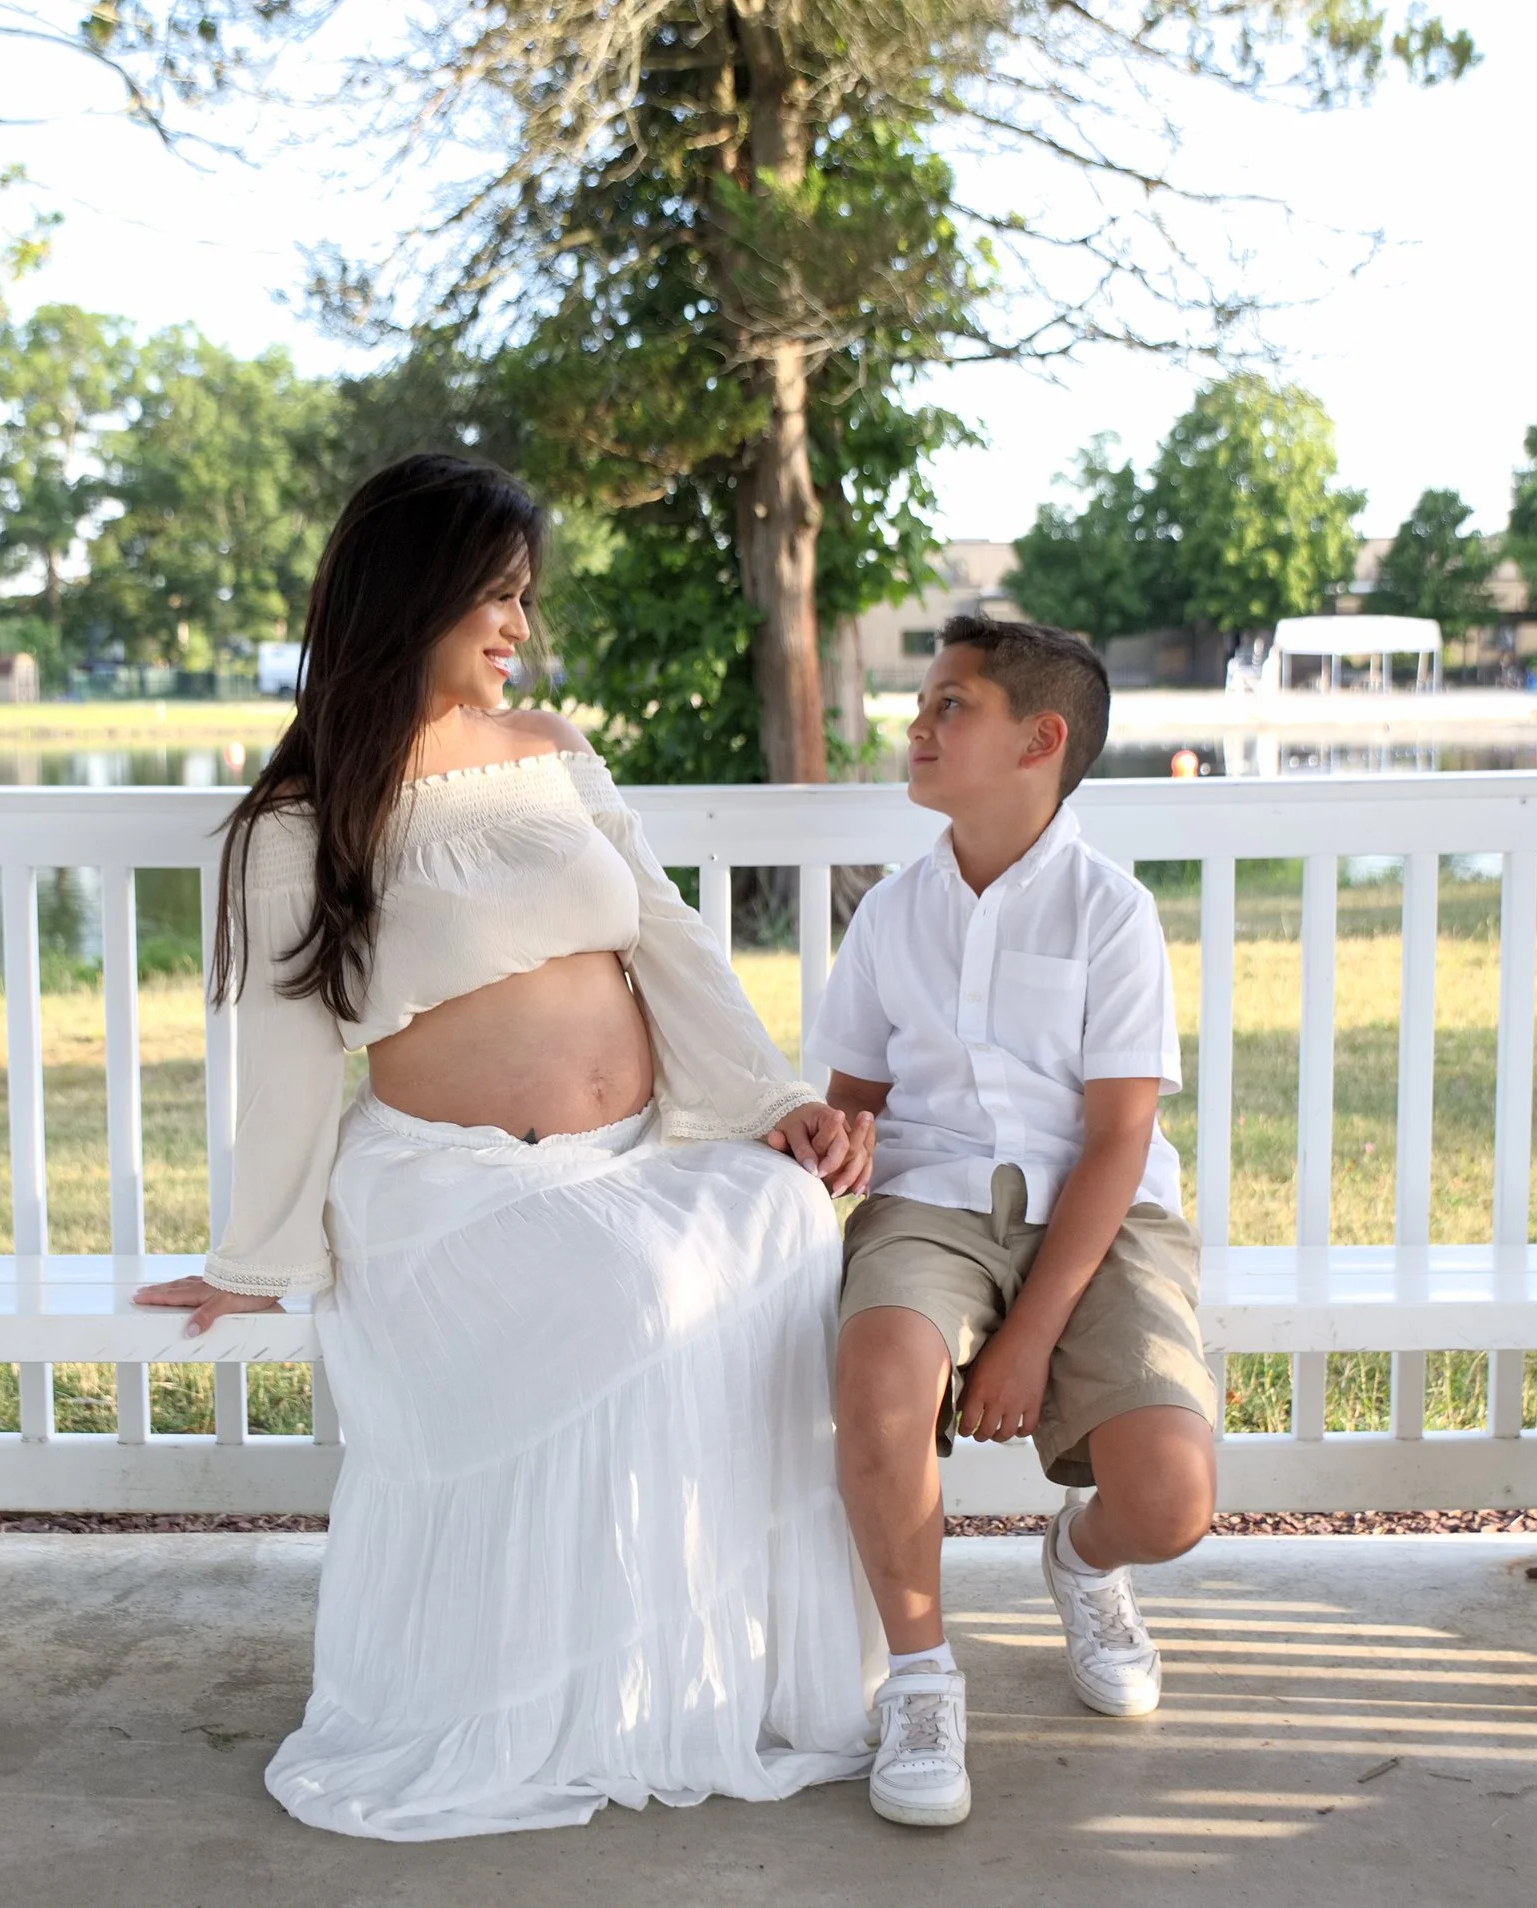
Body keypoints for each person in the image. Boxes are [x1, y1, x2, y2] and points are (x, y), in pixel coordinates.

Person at [133, 453, 878, 1841]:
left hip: (634, 1159)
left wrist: (768, 1095)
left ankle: (694, 1675)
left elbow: (664, 934)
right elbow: (284, 1055)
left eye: (523, 599)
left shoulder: (549, 747)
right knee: (638, 1290)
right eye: (497, 597)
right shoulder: (302, 819)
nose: (518, 628)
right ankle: (556, 1693)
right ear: (412, 597)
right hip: (450, 1190)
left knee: (783, 1218)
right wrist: (257, 1257)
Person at [811, 615, 1219, 1829]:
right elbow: (856, 1096)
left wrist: (1030, 1337)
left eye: (951, 705)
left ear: (1040, 742)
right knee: (878, 1376)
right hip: (932, 1204)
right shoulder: (891, 913)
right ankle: (921, 1678)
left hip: (1098, 1214)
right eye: (922, 702)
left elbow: (1117, 1141)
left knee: (1172, 1501)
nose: (917, 725)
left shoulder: (1109, 913)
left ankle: (1082, 1564)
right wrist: (837, 1138)